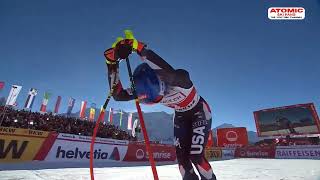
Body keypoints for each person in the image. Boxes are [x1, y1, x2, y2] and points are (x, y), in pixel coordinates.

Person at [104, 31, 216, 180]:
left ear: (161, 82)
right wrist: (112, 64)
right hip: (181, 117)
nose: (155, 100)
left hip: (199, 111)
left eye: (156, 96)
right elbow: (118, 95)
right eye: (149, 100)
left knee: (196, 156)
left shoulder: (179, 79)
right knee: (182, 161)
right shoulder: (143, 89)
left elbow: (166, 68)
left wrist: (137, 47)